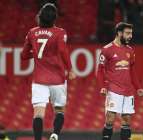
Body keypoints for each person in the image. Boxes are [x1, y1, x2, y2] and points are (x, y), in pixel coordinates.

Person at [21, 3, 76, 140]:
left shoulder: (32, 32)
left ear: (40, 16)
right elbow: (63, 50)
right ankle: (55, 134)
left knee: (38, 113)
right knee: (59, 110)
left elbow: (23, 56)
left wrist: (36, 52)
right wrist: (70, 69)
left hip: (39, 80)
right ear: (54, 18)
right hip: (57, 79)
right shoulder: (60, 32)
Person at [97, 22, 143, 140]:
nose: (130, 36)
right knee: (110, 118)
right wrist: (102, 86)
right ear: (119, 33)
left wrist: (138, 87)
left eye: (131, 33)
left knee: (127, 120)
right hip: (113, 89)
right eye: (128, 33)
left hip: (128, 91)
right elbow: (100, 70)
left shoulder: (130, 50)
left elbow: (132, 71)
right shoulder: (107, 50)